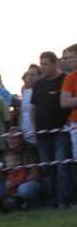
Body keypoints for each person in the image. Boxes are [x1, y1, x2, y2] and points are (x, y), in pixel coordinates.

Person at [31, 51, 71, 208]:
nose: (42, 67)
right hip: (42, 134)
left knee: (62, 166)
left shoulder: (65, 80)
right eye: (41, 64)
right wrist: (34, 129)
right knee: (47, 168)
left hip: (61, 132)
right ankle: (51, 199)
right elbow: (33, 108)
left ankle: (64, 200)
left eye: (45, 64)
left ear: (55, 63)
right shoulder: (39, 84)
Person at [0, 128, 42, 212]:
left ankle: (32, 203)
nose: (10, 141)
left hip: (30, 183)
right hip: (12, 183)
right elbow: (0, 168)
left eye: (14, 138)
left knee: (23, 189)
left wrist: (15, 181)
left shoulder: (30, 149)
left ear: (21, 138)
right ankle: (3, 202)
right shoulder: (7, 151)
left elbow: (36, 174)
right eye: (8, 138)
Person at [60, 43, 77, 203]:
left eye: (71, 57)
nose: (67, 61)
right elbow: (64, 101)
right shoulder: (70, 78)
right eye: (66, 58)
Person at [19, 64, 40, 144]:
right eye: (28, 75)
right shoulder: (26, 93)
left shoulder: (42, 92)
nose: (29, 77)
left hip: (38, 134)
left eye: (33, 75)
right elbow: (22, 113)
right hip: (25, 135)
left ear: (39, 76)